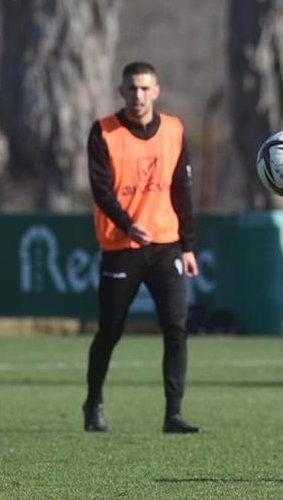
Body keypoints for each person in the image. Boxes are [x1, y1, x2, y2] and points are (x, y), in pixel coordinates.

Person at [84, 61, 200, 434]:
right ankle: (93, 401)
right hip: (121, 245)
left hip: (166, 245)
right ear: (122, 92)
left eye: (145, 88)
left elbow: (181, 190)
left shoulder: (174, 130)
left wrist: (188, 246)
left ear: (156, 91)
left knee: (176, 327)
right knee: (110, 330)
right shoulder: (104, 131)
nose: (139, 95)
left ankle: (174, 414)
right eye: (132, 88)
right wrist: (127, 223)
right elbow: (101, 190)